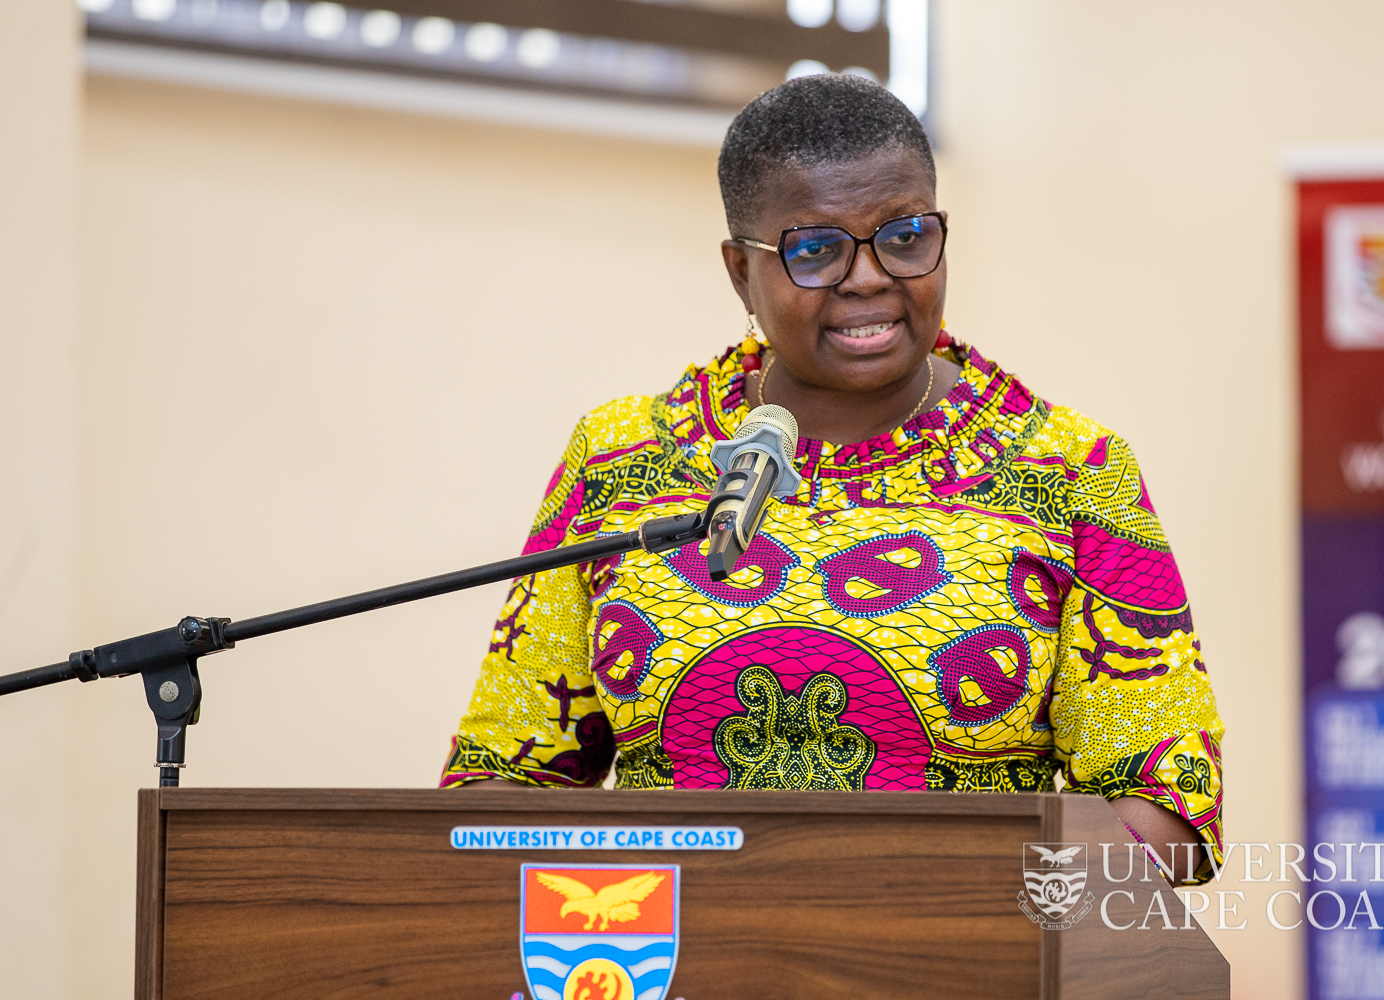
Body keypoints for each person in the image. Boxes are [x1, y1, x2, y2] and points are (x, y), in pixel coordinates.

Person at [440, 74, 1223, 885]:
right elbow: (505, 776)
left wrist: (980, 908)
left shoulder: (1072, 471)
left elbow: (1163, 801)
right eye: (814, 249)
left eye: (905, 234)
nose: (868, 277)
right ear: (742, 272)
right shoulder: (621, 458)